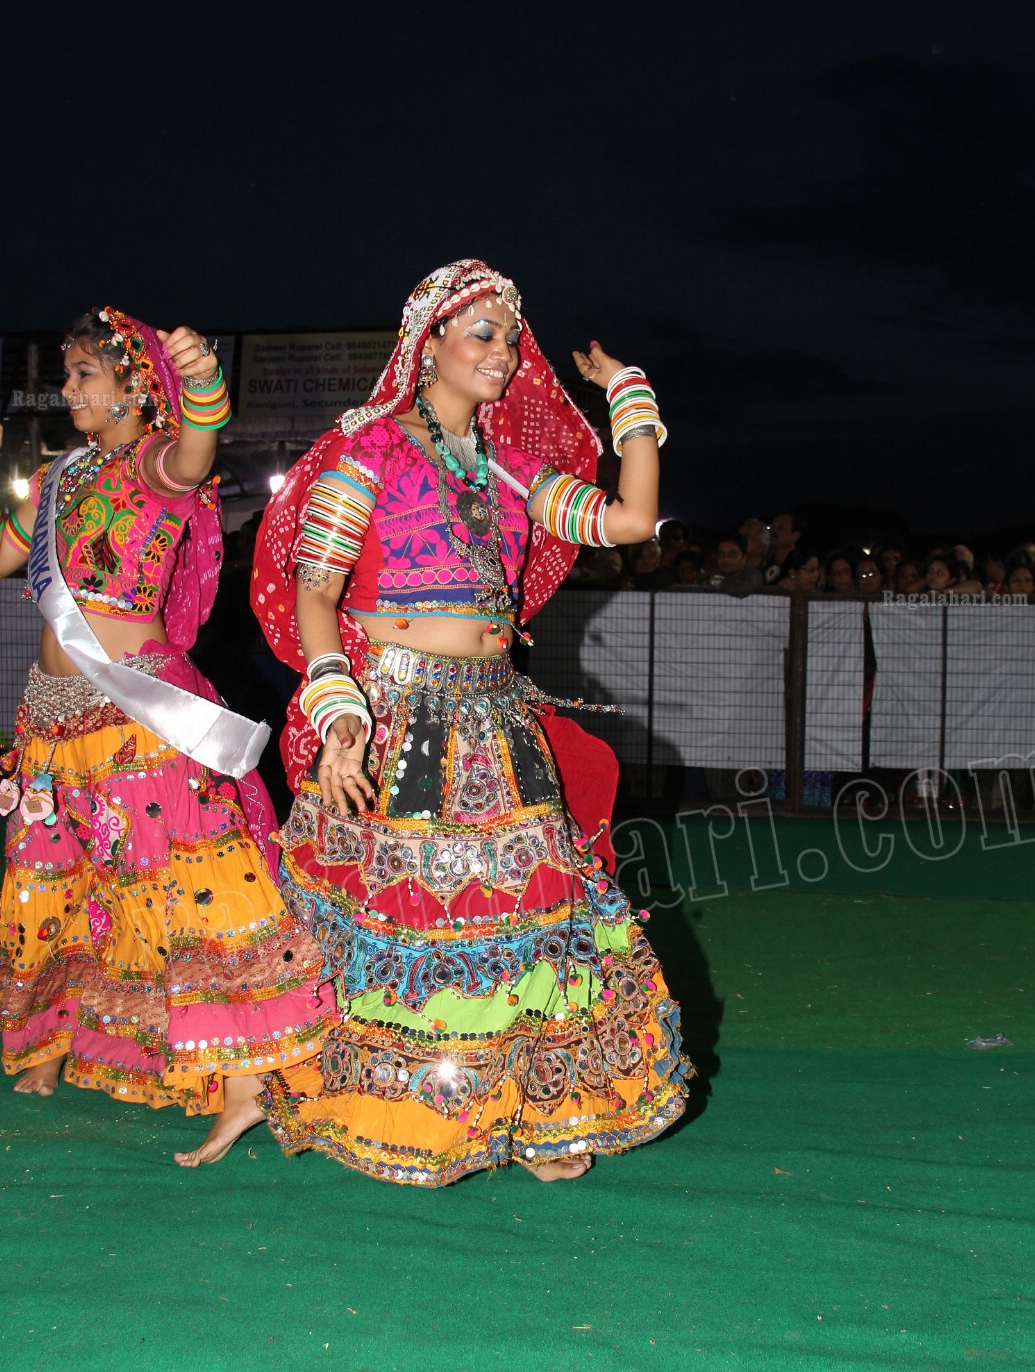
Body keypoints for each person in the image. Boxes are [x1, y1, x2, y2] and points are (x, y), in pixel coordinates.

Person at [250, 259, 692, 1187]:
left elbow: (633, 517)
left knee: (526, 912)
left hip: (498, 717)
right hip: (397, 712)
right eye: (481, 333)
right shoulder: (365, 451)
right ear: (428, 347)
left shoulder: (506, 467)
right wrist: (338, 710)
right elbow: (315, 589)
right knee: (409, 918)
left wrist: (631, 399)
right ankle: (405, 1104)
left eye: (509, 336)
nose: (502, 352)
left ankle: (530, 1106)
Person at [0, 308, 332, 1165]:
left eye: (82, 375)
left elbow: (199, 442)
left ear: (134, 388)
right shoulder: (61, 476)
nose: (67, 389)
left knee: (197, 888)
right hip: (50, 717)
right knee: (62, 882)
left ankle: (247, 1083)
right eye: (68, 374)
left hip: (139, 716)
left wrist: (202, 378)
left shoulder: (154, 467)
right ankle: (51, 1043)